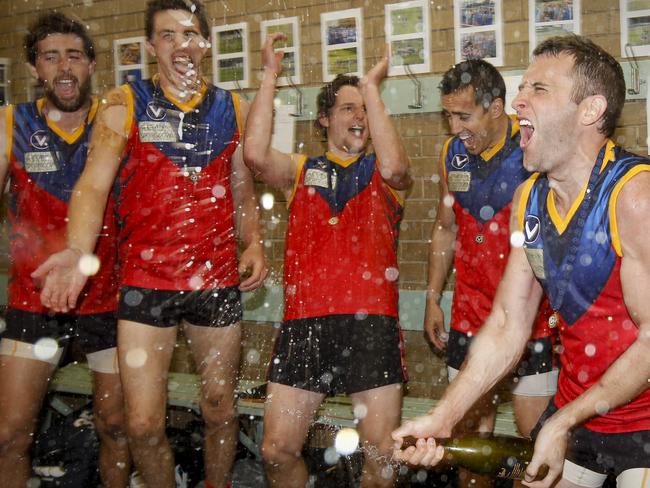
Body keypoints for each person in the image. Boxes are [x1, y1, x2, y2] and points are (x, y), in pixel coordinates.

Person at [393, 35, 650, 488]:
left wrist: (561, 421)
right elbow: (509, 323)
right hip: (581, 411)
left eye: (539, 90)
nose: (517, 103)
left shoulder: (635, 197)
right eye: (522, 88)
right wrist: (443, 416)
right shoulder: (529, 197)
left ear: (590, 110)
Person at [33, 1, 268, 487]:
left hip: (215, 279)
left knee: (221, 408)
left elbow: (242, 187)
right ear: (150, 47)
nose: (180, 45)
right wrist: (77, 250)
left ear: (205, 43)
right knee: (140, 424)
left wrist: (253, 242)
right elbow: (94, 184)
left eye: (190, 34)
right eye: (167, 35)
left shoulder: (233, 106)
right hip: (145, 282)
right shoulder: (125, 101)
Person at [243, 34, 411, 488]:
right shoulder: (301, 171)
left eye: (365, 108)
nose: (359, 117)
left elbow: (396, 168)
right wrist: (270, 76)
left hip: (370, 324)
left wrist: (373, 91)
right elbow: (254, 155)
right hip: (306, 324)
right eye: (348, 108)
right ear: (324, 119)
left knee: (382, 464)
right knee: (276, 452)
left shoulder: (383, 172)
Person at [0, 12, 130, 488]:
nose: (64, 67)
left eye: (74, 55)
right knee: (11, 435)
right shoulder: (10, 123)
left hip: (106, 297)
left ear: (92, 64)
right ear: (35, 68)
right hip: (35, 297)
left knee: (117, 427)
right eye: (50, 57)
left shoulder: (115, 122)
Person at [424, 59, 558, 487]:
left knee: (536, 448)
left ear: (497, 108)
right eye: (448, 115)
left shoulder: (534, 149)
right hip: (469, 318)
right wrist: (432, 296)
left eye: (464, 115)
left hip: (530, 322)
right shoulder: (451, 154)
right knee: (468, 449)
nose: (454, 126)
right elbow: (445, 227)